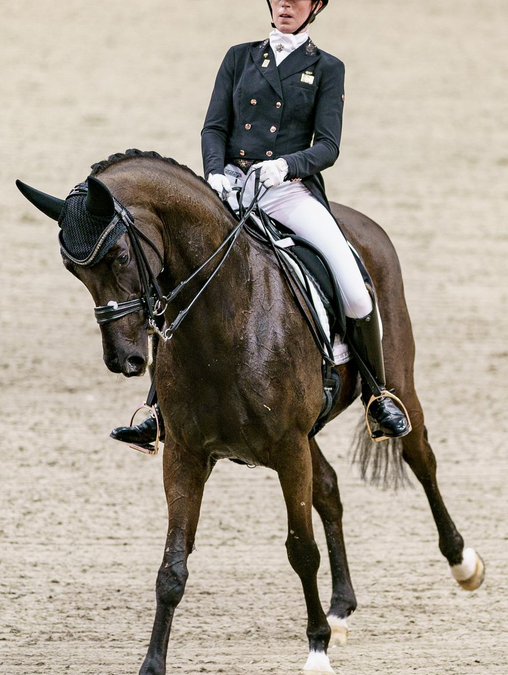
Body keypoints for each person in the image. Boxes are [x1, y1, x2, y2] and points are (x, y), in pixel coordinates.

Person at [111, 0, 410, 450]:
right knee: (178, 279)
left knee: (353, 286)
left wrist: (286, 166)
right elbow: (214, 127)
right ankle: (157, 409)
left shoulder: (327, 68)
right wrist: (215, 171)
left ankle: (377, 395)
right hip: (230, 189)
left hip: (288, 192)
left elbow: (328, 146)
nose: (286, 4)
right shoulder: (239, 56)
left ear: (316, 7)